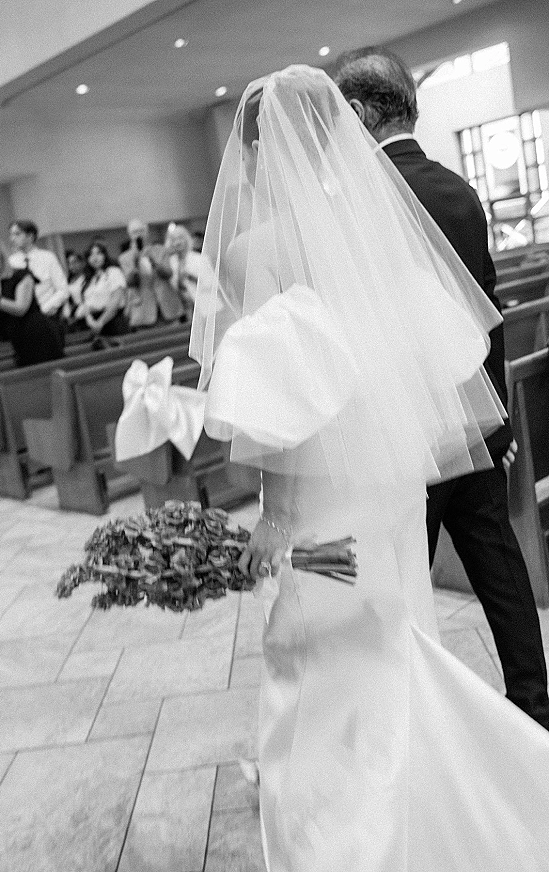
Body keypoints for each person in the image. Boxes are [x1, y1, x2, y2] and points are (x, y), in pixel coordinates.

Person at [190, 65, 549, 872]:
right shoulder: (377, 225)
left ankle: (346, 839)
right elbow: (439, 364)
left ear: (257, 154)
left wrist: (274, 520)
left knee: (310, 658)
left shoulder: (255, 252)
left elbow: (285, 406)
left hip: (322, 509)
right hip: (387, 489)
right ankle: (427, 802)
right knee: (389, 642)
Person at [333, 46, 549, 732]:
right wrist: (500, 424)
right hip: (473, 422)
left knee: (396, 588)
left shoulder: (360, 198)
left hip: (406, 439)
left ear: (365, 112)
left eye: (343, 116)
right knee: (503, 577)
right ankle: (534, 710)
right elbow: (487, 311)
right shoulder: (458, 188)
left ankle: (405, 733)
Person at [0, 238, 64, 367]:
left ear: (3, 257)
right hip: (18, 341)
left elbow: (21, 309)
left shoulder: (21, 276)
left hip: (39, 334)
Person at [8, 220, 69, 342]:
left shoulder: (47, 257)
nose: (12, 238)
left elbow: (63, 290)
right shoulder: (11, 262)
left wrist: (43, 310)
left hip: (48, 315)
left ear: (30, 236)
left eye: (17, 234)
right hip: (23, 321)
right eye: (11, 235)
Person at [119, 219, 185, 327]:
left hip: (167, 304)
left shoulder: (160, 250)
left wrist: (153, 260)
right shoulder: (125, 258)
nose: (138, 234)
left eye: (141, 231)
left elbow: (168, 274)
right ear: (130, 235)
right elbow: (130, 282)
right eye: (135, 232)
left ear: (146, 232)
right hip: (143, 310)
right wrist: (135, 260)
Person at [75, 241, 129, 342]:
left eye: (99, 253)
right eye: (91, 254)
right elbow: (86, 304)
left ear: (104, 255)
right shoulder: (88, 279)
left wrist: (100, 322)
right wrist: (90, 320)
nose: (95, 257)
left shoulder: (113, 272)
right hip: (92, 322)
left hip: (112, 320)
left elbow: (115, 301)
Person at [163, 223, 215, 317]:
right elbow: (172, 286)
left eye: (180, 238)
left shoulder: (199, 258)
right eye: (174, 240)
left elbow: (211, 283)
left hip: (205, 306)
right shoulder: (171, 262)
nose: (178, 242)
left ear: (186, 239)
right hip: (183, 309)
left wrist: (190, 277)